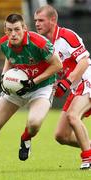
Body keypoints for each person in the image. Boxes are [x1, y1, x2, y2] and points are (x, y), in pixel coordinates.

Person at [0, 13, 62, 172]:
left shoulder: (40, 43)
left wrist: (33, 82)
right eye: (9, 30)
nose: (13, 34)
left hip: (42, 87)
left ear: (25, 29)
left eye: (17, 29)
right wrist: (4, 76)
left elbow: (58, 65)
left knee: (34, 124)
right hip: (17, 87)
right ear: (5, 30)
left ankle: (25, 138)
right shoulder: (4, 43)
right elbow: (10, 58)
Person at [34, 4, 91, 169]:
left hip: (87, 79)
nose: (37, 24)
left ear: (53, 20)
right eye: (36, 20)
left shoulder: (67, 36)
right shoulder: (42, 44)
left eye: (41, 20)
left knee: (73, 116)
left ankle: (87, 159)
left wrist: (67, 81)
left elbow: (84, 61)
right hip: (75, 86)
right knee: (61, 135)